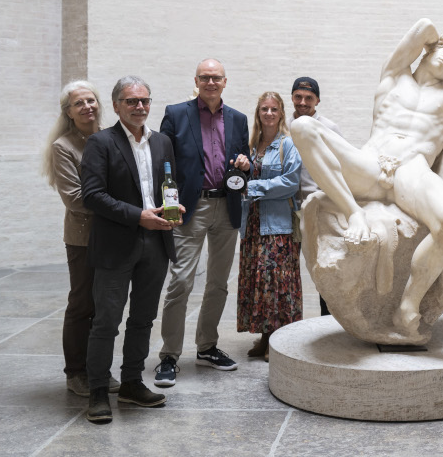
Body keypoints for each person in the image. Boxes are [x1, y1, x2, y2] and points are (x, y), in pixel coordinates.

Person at [290, 18, 443, 336]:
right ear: (429, 50)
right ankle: (354, 213)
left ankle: (408, 309)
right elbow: (424, 27)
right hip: (368, 165)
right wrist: (442, 42)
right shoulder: (394, 75)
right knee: (302, 127)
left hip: (412, 172)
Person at [81, 76, 180, 423]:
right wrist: (139, 216)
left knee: (142, 319)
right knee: (106, 320)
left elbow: (168, 184)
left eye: (145, 100)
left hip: (156, 242)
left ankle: (132, 383)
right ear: (118, 105)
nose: (140, 107)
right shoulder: (100, 143)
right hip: (116, 244)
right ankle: (96, 392)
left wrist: (173, 207)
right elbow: (93, 195)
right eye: (132, 101)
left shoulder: (163, 141)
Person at [155, 58, 251, 387]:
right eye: (205, 77)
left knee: (219, 282)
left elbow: (242, 162)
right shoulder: (177, 113)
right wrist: (167, 205)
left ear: (225, 82)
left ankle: (207, 346)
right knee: (180, 281)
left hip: (227, 207)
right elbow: (162, 161)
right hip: (188, 209)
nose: (211, 82)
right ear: (196, 80)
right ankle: (168, 355)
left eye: (216, 78)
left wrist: (245, 162)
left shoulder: (238, 119)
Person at [43, 81, 120, 397]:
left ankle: (98, 369)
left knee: (108, 306)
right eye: (79, 103)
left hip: (116, 235)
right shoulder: (63, 147)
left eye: (91, 100)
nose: (87, 106)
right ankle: (76, 372)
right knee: (82, 304)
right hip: (84, 238)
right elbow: (75, 199)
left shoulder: (111, 138)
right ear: (69, 112)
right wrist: (120, 206)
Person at [238, 92, 302, 362]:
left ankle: (279, 339)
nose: (269, 113)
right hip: (252, 224)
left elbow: (291, 182)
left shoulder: (288, 144)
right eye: (264, 109)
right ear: (258, 113)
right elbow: (238, 179)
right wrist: (241, 171)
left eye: (274, 109)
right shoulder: (250, 145)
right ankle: (264, 336)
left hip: (277, 225)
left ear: (281, 113)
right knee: (259, 284)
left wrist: (252, 186)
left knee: (277, 283)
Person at [287, 76, 341, 316]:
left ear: (317, 100)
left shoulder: (329, 127)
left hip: (318, 207)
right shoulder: (283, 126)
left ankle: (328, 323)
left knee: (324, 268)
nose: (303, 102)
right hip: (286, 208)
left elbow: (341, 165)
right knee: (286, 271)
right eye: (298, 96)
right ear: (292, 97)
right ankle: (288, 327)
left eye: (309, 97)